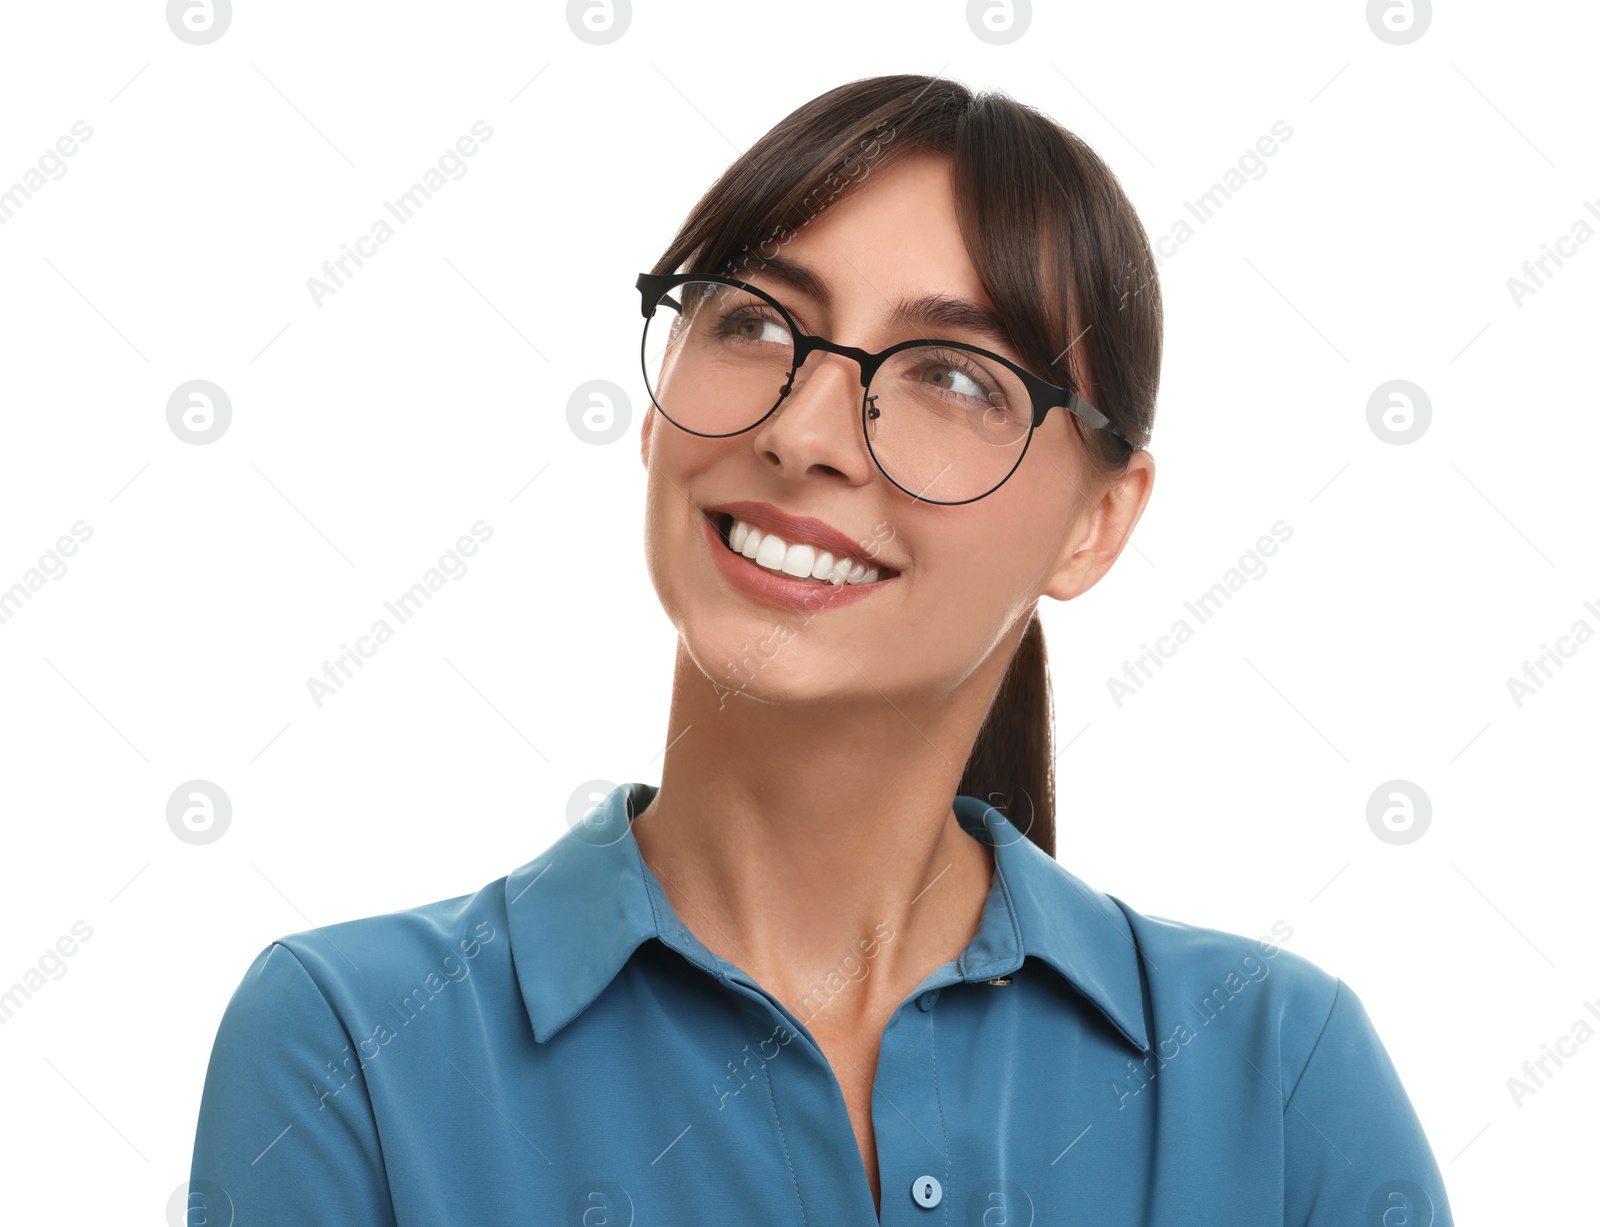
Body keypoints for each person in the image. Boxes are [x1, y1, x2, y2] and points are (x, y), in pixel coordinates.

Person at [187, 73, 1455, 1225]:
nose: (805, 430)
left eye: (953, 377)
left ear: (1097, 524)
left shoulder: (1279, 1081)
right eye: (752, 322)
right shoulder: (350, 1049)